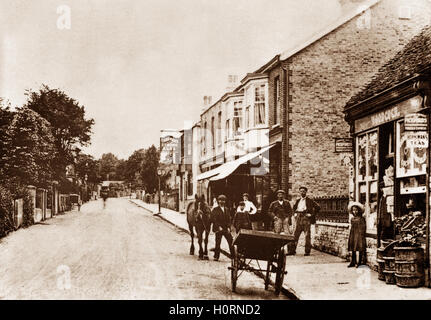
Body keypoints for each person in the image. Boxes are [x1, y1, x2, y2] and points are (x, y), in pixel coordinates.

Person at [290, 186, 320, 256]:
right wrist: (294, 213)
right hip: (298, 218)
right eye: (301, 191)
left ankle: (307, 251)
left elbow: (318, 207)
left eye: (303, 191)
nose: (302, 192)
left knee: (307, 235)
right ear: (299, 192)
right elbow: (294, 208)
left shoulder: (310, 200)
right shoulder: (298, 200)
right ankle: (292, 250)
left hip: (306, 218)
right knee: (295, 235)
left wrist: (311, 215)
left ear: (306, 192)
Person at [211, 195, 233, 261]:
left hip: (226, 228)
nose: (221, 202)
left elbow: (229, 219)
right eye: (220, 200)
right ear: (218, 201)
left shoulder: (227, 209)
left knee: (231, 241)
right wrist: (218, 226)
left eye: (223, 200)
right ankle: (216, 256)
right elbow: (214, 219)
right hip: (218, 229)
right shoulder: (215, 209)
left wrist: (229, 227)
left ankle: (233, 256)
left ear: (225, 201)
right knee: (218, 242)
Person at [347, 202, 366, 268]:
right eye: (353, 210)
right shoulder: (352, 219)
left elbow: (363, 227)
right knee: (353, 248)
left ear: (359, 210)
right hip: (353, 234)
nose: (355, 212)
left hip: (359, 234)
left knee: (359, 248)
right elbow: (351, 227)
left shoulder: (361, 219)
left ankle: (359, 262)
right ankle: (353, 261)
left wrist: (361, 234)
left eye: (356, 210)